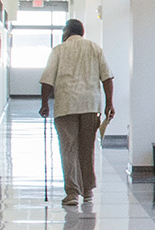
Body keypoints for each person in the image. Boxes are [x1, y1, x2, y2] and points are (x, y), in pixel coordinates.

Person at [40, 19, 115, 206]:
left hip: (66, 105)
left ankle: (72, 193)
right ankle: (88, 190)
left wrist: (44, 104)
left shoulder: (58, 50)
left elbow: (47, 80)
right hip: (90, 105)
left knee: (68, 149)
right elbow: (107, 77)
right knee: (87, 148)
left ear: (66, 32)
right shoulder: (95, 48)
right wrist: (109, 103)